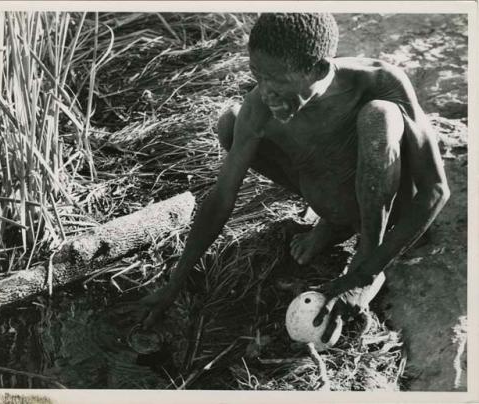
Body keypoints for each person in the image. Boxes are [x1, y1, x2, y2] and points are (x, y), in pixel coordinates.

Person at [124, 13, 450, 343]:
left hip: (389, 204)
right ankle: (336, 224)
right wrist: (173, 285)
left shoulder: (379, 82)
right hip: (335, 196)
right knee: (232, 123)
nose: (265, 92)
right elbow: (222, 198)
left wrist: (363, 273)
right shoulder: (261, 105)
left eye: (277, 81)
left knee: (378, 118)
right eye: (257, 75)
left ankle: (366, 252)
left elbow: (435, 190)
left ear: (319, 70)